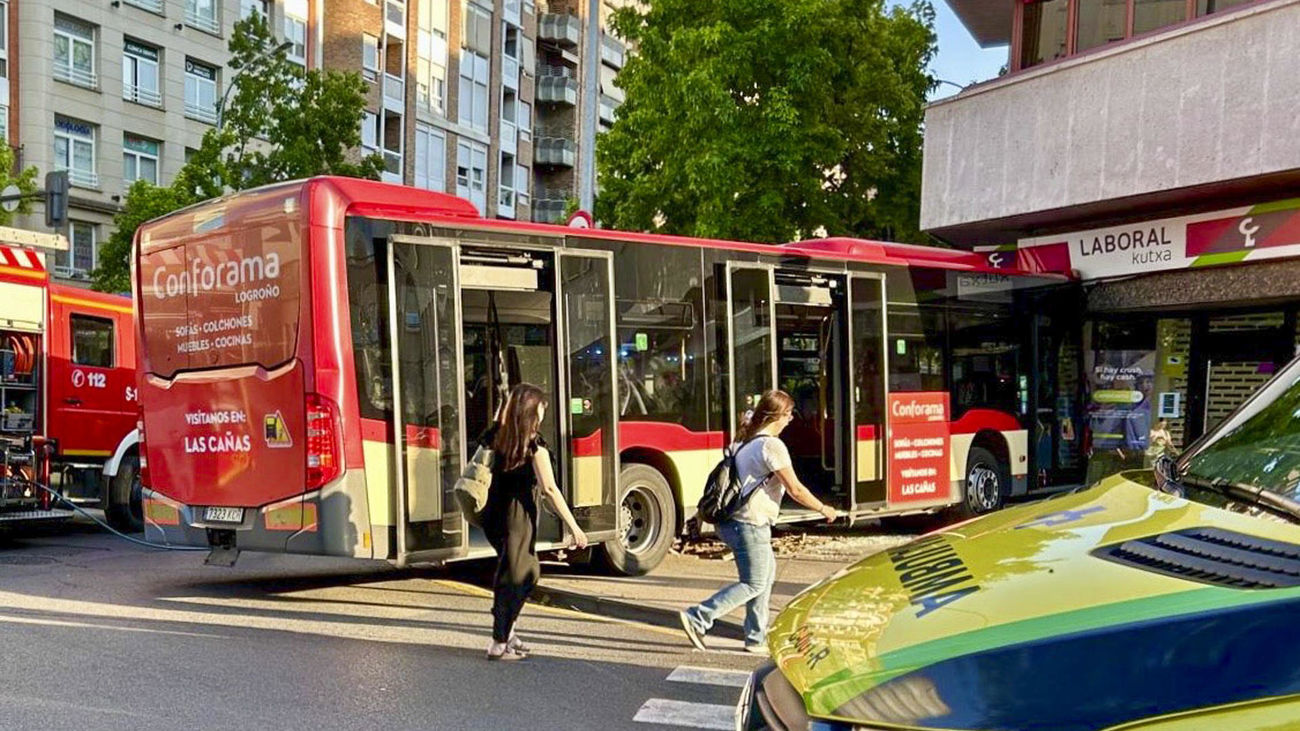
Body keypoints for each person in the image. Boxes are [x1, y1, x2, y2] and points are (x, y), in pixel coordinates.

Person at [679, 390, 837, 655]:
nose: (790, 421)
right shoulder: (771, 446)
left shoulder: (746, 442)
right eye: (789, 415)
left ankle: (755, 638)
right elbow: (795, 489)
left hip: (737, 523)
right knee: (754, 582)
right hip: (749, 524)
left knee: (764, 577)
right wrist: (824, 508)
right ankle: (698, 617)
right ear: (780, 415)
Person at [480, 383, 588, 661]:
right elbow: (550, 489)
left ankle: (509, 632)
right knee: (519, 577)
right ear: (532, 411)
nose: (544, 409)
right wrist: (574, 527)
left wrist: (507, 402)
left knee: (518, 572)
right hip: (518, 518)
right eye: (541, 405)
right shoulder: (533, 447)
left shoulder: (498, 435)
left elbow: (497, 420)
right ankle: (498, 643)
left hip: (495, 514)